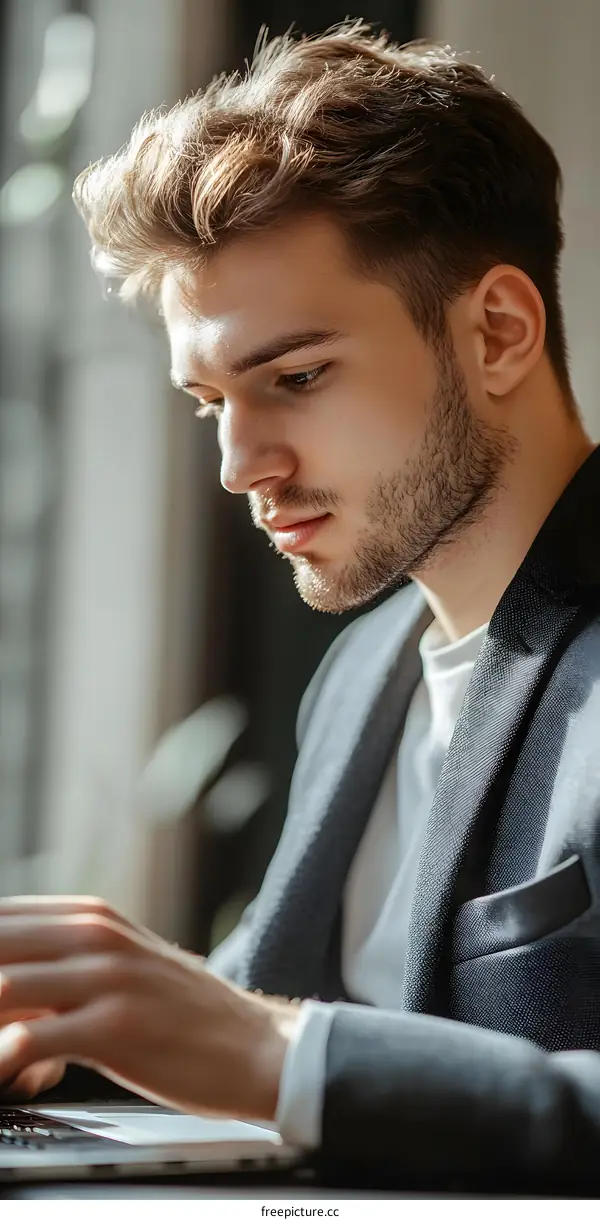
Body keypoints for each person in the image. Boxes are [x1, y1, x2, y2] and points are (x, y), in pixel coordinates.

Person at [0, 19, 600, 1189]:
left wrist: (269, 1046)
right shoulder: (368, 668)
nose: (239, 463)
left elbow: (284, 1045)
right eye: (207, 399)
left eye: (296, 377)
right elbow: (262, 1023)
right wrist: (48, 1038)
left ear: (499, 332)